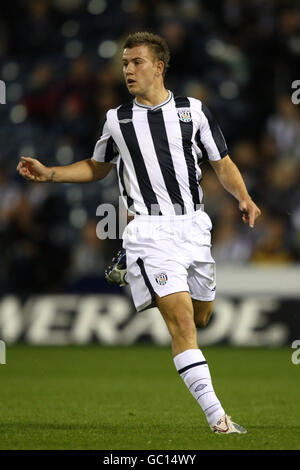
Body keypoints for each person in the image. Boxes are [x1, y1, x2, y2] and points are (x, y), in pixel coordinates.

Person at [17, 31, 261, 434]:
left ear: (159, 67)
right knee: (182, 324)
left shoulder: (193, 111)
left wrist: (244, 197)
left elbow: (222, 162)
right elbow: (98, 166)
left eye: (136, 62)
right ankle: (219, 419)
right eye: (125, 64)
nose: (128, 70)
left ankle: (133, 265)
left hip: (194, 227)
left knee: (202, 315)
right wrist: (51, 174)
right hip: (148, 230)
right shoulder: (118, 120)